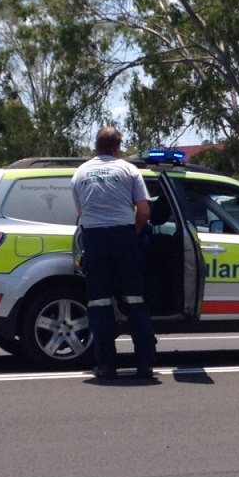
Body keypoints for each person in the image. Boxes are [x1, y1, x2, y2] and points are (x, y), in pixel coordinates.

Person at [72, 127, 156, 380]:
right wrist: (134, 233)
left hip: (95, 240)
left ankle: (106, 365)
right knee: (135, 300)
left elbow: (81, 213)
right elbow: (144, 211)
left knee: (99, 303)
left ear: (96, 146)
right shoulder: (129, 170)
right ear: (118, 147)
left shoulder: (80, 173)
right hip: (124, 237)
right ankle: (145, 364)